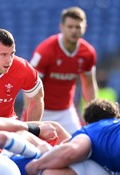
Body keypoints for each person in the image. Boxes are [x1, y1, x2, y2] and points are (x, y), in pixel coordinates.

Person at [26, 6, 97, 134]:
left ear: (85, 27)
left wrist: (94, 114)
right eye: (70, 27)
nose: (74, 31)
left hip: (66, 112)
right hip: (42, 111)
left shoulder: (88, 53)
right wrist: (30, 114)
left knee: (78, 146)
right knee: (32, 148)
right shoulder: (46, 50)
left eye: (78, 27)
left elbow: (89, 84)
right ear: (62, 27)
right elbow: (30, 85)